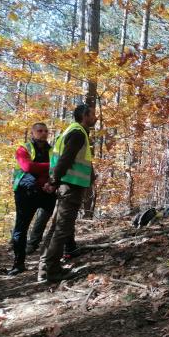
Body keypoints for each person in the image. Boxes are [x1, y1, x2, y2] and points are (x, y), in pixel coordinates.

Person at [38, 104, 97, 283]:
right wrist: (53, 182)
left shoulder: (71, 131)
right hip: (70, 187)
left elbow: (68, 159)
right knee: (62, 229)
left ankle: (43, 268)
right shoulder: (78, 133)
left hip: (66, 186)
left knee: (56, 227)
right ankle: (52, 270)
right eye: (93, 114)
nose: (95, 117)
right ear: (84, 116)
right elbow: (66, 158)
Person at [8, 123, 56, 275]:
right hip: (25, 192)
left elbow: (54, 170)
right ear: (33, 132)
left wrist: (49, 182)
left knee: (60, 219)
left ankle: (68, 250)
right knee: (21, 228)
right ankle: (18, 263)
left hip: (45, 191)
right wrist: (51, 166)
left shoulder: (51, 150)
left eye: (46, 131)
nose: (43, 133)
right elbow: (28, 167)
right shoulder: (24, 148)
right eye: (40, 131)